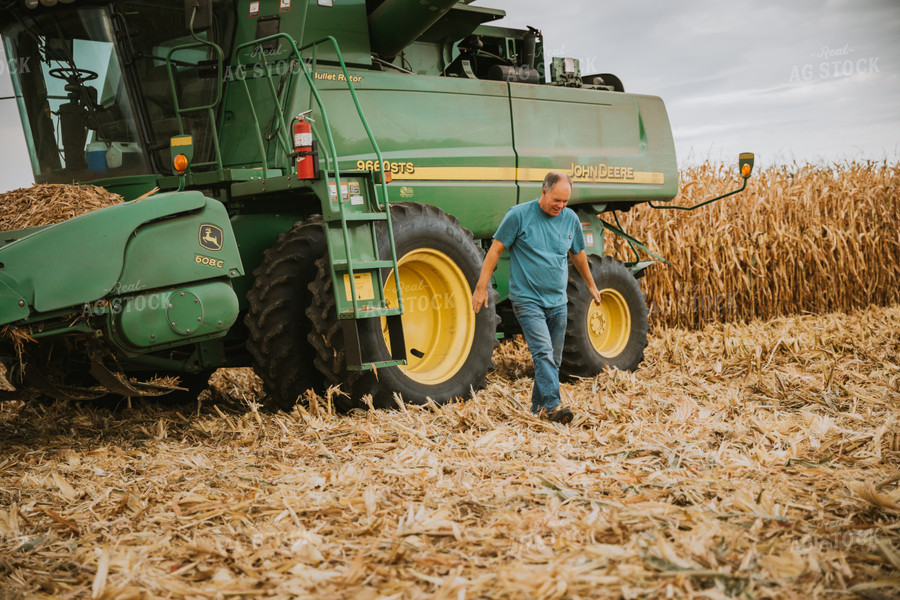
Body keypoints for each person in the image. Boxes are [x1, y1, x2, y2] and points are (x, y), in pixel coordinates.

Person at [472, 172, 602, 423]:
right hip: (528, 300)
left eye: (565, 201)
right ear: (544, 191)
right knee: (543, 353)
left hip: (558, 303)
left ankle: (536, 409)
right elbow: (495, 249)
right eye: (556, 200)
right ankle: (553, 406)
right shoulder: (519, 216)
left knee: (553, 358)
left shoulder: (570, 219)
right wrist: (481, 287)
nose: (560, 206)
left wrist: (591, 285)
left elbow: (578, 254)